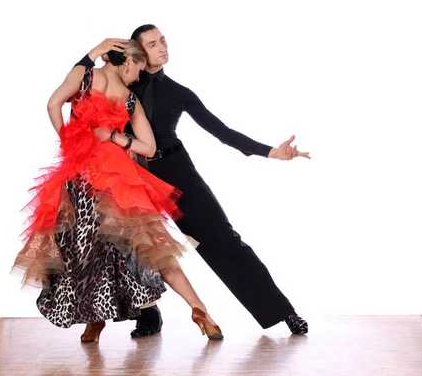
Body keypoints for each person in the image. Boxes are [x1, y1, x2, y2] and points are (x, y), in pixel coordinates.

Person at [74, 25, 311, 337]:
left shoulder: (179, 93)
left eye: (163, 41)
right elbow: (74, 87)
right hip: (128, 173)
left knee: (223, 240)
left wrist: (270, 152)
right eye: (153, 43)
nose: (162, 47)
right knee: (129, 246)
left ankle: (283, 311)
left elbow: (222, 131)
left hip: (173, 170)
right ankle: (148, 316)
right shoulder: (119, 78)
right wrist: (92, 53)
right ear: (137, 53)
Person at [11, 40, 223, 343]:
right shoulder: (130, 99)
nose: (138, 77)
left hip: (82, 178)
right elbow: (147, 148)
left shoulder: (84, 77)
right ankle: (201, 310)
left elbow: (52, 104)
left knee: (83, 252)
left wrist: (70, 141)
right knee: (153, 248)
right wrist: (114, 137)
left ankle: (95, 322)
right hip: (122, 180)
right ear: (128, 61)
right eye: (138, 69)